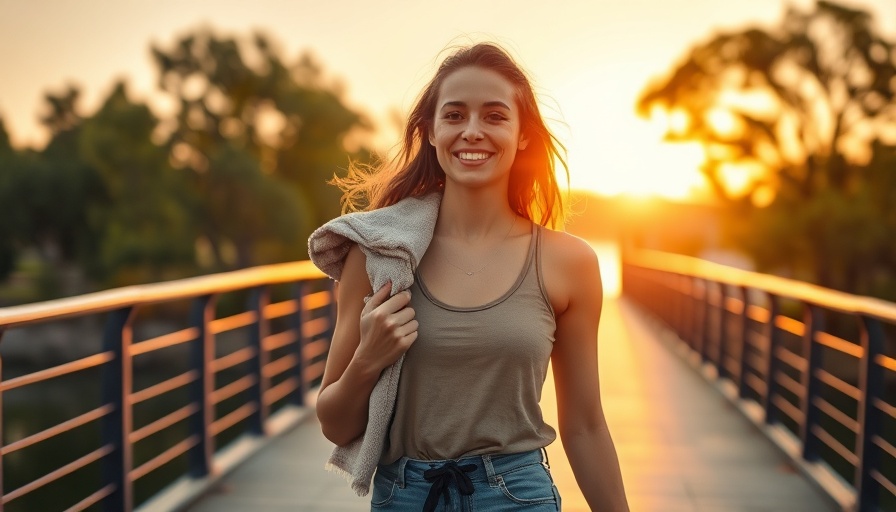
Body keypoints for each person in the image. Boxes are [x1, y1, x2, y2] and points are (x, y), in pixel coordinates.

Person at [315, 41, 629, 511]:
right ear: (432, 132)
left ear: (523, 134)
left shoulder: (570, 263)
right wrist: (368, 359)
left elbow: (584, 425)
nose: (473, 132)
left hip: (517, 495)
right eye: (455, 115)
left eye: (496, 116)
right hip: (405, 497)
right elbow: (335, 425)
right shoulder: (380, 256)